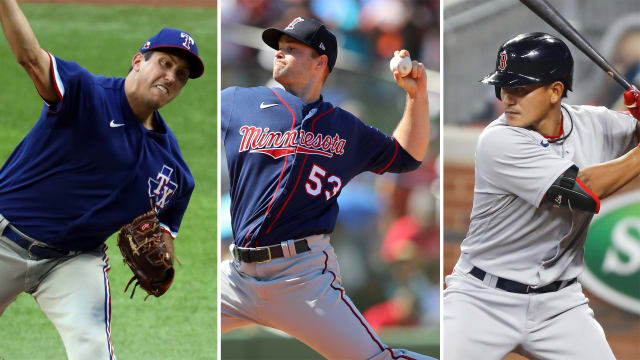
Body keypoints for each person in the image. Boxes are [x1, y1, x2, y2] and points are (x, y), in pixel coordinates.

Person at [221, 16, 435, 360]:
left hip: (302, 278)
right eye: (279, 48)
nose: (279, 54)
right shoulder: (236, 102)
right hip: (236, 276)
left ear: (321, 62)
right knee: (177, 321)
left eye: (292, 49)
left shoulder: (344, 126)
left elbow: (407, 156)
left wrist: (417, 97)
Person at [0, 1, 204, 359]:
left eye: (182, 74)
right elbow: (30, 57)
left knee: (93, 351)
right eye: (166, 63)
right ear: (138, 60)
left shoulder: (174, 172)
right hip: (5, 240)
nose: (172, 76)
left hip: (72, 263)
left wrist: (163, 264)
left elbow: (167, 240)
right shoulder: (85, 93)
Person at [443, 32, 640, 360]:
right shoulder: (498, 141)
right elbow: (582, 189)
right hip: (482, 300)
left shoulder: (596, 124)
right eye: (504, 87)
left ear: (555, 91)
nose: (508, 98)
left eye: (520, 88)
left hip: (559, 306)